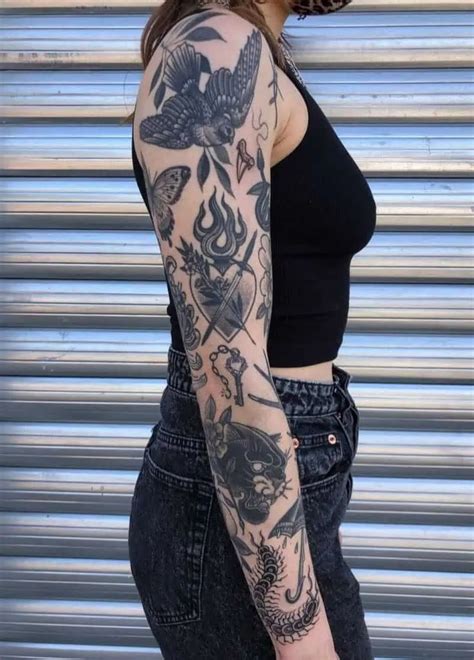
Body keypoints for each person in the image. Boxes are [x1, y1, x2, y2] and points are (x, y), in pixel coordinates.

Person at [128, 1, 377, 658]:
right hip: (242, 489)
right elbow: (227, 368)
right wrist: (300, 637)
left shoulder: (249, 50)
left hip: (279, 472)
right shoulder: (214, 52)